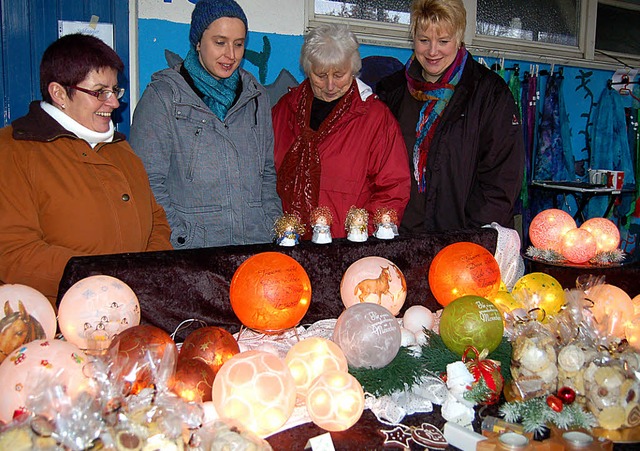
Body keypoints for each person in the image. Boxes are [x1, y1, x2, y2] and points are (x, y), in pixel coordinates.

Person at [0, 34, 172, 306]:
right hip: (53, 319)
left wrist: (148, 274)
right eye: (99, 92)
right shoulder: (13, 150)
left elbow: (156, 223)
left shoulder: (121, 150)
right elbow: (13, 252)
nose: (113, 103)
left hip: (133, 307)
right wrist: (106, 277)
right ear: (59, 94)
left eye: (115, 91)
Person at [130, 0, 281, 249]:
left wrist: (271, 225)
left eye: (239, 44)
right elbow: (147, 182)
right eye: (220, 42)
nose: (230, 55)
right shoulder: (163, 96)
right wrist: (180, 235)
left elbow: (266, 173)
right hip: (192, 253)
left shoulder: (256, 96)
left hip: (255, 247)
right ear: (198, 42)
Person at [377, 0, 524, 233]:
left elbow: (501, 182)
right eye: (424, 40)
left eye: (443, 41)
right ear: (413, 38)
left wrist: (470, 240)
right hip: (400, 239)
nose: (433, 51)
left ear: (458, 39)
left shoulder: (490, 94)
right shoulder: (391, 92)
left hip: (462, 242)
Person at [272, 23, 410, 240]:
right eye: (320, 75)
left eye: (339, 74)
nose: (329, 86)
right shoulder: (284, 110)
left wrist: (364, 241)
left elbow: (393, 189)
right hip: (288, 242)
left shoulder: (375, 118)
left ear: (353, 69)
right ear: (307, 70)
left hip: (346, 248)